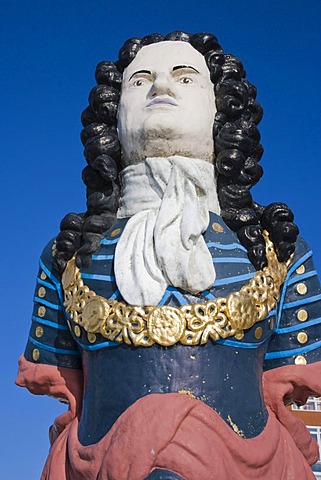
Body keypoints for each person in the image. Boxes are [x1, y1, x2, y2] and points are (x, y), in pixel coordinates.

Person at [16, 31, 321, 480]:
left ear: (222, 109)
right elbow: (69, 386)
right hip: (99, 463)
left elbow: (280, 388)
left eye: (184, 78)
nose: (161, 88)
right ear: (112, 115)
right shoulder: (66, 259)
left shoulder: (282, 252)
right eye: (140, 81)